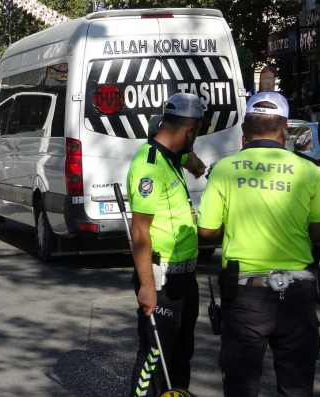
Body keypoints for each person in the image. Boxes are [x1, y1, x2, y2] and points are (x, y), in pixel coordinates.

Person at [197, 92, 320, 397]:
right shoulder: (309, 170)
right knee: (297, 387)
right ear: (284, 129)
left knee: (241, 386)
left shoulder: (224, 169)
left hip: (246, 295)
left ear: (244, 131)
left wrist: (236, 227)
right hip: (297, 294)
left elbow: (206, 231)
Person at [126, 93, 207, 397]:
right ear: (189, 131)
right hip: (160, 279)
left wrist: (203, 170)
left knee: (181, 355)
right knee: (154, 357)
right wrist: (147, 287)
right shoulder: (149, 166)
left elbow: (193, 162)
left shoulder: (175, 156)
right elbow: (139, 232)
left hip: (185, 277)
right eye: (196, 132)